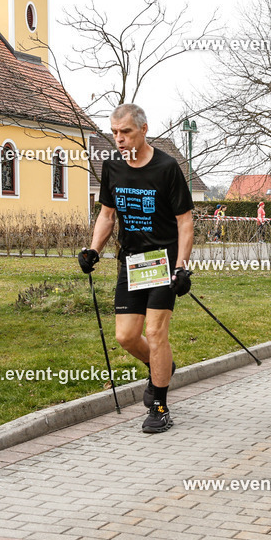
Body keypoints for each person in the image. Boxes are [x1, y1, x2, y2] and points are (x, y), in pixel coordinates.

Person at [78, 103, 194, 433]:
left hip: (163, 262)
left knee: (156, 333)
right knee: (127, 336)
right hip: (131, 262)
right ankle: (161, 365)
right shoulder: (112, 168)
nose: (119, 139)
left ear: (143, 130)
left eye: (125, 132)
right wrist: (93, 249)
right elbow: (107, 215)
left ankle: (158, 404)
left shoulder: (167, 167)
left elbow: (185, 222)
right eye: (114, 133)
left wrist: (182, 267)